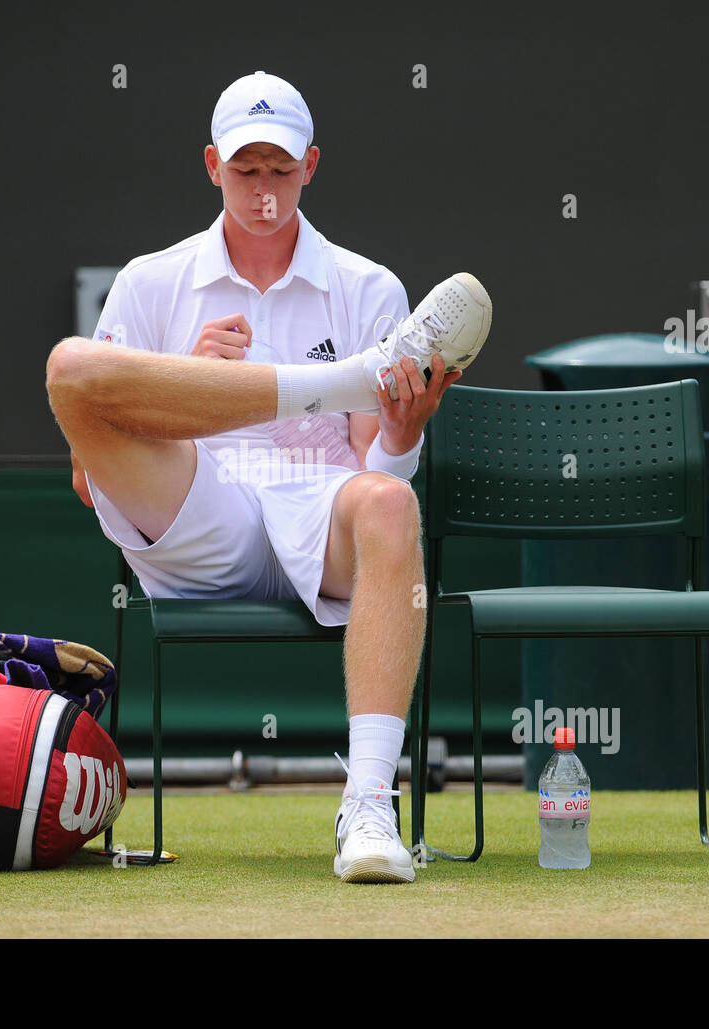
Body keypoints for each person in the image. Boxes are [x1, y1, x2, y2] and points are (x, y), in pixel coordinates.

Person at [46, 71, 492, 883]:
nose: (264, 190)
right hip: (193, 515)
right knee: (71, 367)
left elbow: (371, 473)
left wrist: (401, 430)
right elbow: (88, 474)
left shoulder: (368, 286)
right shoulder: (151, 281)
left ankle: (368, 807)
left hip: (319, 514)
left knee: (392, 500)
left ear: (312, 165)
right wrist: (185, 384)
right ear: (212, 165)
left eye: (281, 171)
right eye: (246, 171)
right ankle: (333, 378)